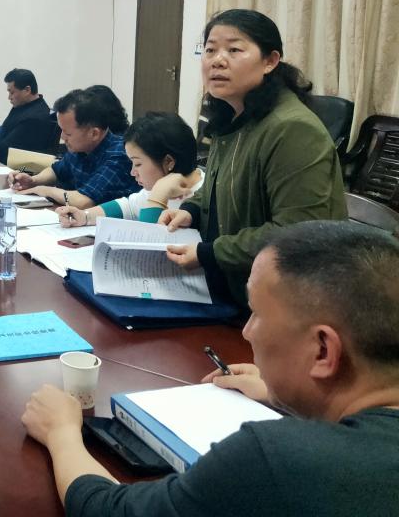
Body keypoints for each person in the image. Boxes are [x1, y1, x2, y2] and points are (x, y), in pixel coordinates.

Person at [22, 220, 399, 516]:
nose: (247, 332)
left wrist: (62, 432)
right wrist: (284, 393)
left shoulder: (276, 459)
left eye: (256, 314)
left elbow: (110, 510)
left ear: (323, 350)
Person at [159, 9, 346, 306]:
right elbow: (220, 183)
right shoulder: (232, 115)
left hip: (282, 301)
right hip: (233, 284)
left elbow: (297, 233)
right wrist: (192, 210)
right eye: (210, 50)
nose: (217, 60)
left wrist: (209, 253)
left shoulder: (292, 129)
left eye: (234, 50)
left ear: (270, 61)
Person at [55, 112, 204, 227]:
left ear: (168, 162)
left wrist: (159, 194)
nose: (133, 172)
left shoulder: (203, 195)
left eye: (138, 164)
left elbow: (148, 242)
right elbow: (128, 207)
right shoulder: (158, 185)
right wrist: (84, 216)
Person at [10, 85, 137, 208]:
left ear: (94, 133)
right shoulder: (81, 147)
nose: (62, 137)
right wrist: (33, 181)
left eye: (68, 133)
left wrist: (44, 190)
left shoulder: (119, 155)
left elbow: (84, 201)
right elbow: (56, 170)